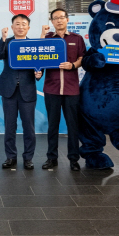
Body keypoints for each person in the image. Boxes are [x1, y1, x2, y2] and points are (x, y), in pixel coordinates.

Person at [39, 9, 86, 171]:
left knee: (73, 125)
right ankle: (52, 158)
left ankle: (74, 159)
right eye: (55, 18)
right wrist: (38, 72)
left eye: (61, 18)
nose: (59, 21)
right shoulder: (47, 38)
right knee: (53, 125)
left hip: (71, 89)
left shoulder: (77, 39)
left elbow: (82, 58)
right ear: (51, 21)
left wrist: (73, 65)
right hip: (51, 88)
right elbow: (39, 57)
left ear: (67, 20)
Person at [0, 14, 42, 170]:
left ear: (28, 27)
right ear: (12, 27)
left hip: (27, 90)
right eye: (17, 24)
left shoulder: (33, 45)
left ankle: (28, 158)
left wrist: (39, 73)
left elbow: (40, 63)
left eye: (23, 24)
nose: (20, 27)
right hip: (9, 90)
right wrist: (2, 38)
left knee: (29, 127)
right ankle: (10, 157)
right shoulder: (7, 42)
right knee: (10, 126)